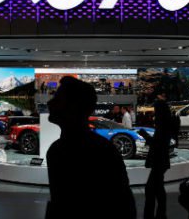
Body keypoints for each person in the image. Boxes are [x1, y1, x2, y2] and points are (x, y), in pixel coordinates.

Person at [46, 76, 134, 219]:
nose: (50, 102)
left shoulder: (58, 150)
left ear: (73, 106)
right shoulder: (104, 149)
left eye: (57, 98)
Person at [142, 92, 172, 219]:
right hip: (162, 161)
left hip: (159, 161)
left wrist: (145, 135)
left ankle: (151, 215)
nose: (154, 113)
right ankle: (161, 214)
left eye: (156, 110)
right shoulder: (165, 124)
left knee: (150, 189)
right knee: (158, 188)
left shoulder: (162, 126)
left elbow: (157, 144)